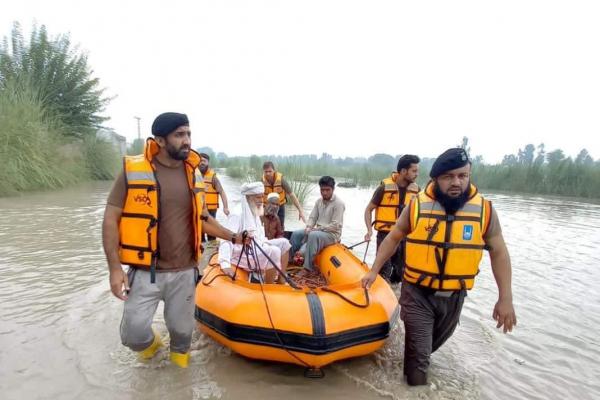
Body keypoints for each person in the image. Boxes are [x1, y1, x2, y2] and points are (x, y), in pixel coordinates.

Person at [102, 112, 248, 369]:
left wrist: (233, 237)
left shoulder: (194, 175)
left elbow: (203, 219)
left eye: (189, 133)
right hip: (146, 270)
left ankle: (180, 383)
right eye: (179, 134)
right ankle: (153, 349)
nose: (187, 140)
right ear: (159, 139)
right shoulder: (132, 170)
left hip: (184, 271)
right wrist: (115, 268)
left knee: (182, 336)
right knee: (133, 336)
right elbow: (110, 218)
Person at [361, 147, 517, 386]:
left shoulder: (484, 211)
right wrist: (373, 271)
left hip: (454, 297)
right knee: (419, 365)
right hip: (417, 294)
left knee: (426, 351)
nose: (457, 182)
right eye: (449, 176)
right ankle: (415, 385)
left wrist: (505, 298)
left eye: (463, 176)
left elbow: (499, 252)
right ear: (435, 179)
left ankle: (407, 364)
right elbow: (393, 237)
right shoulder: (417, 206)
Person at [218, 182, 292, 284]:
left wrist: (265, 244)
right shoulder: (237, 214)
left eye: (262, 197)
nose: (261, 201)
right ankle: (269, 287)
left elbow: (259, 235)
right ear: (248, 198)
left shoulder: (254, 210)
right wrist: (225, 264)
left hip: (257, 245)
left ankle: (281, 280)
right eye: (258, 198)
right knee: (274, 251)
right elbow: (226, 239)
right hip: (240, 253)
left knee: (285, 243)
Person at [364, 155, 420, 282]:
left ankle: (395, 296)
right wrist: (369, 230)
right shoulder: (384, 188)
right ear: (403, 171)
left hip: (405, 238)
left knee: (400, 274)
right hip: (385, 235)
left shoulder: (417, 191)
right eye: (414, 171)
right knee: (384, 272)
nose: (417, 174)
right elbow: (368, 210)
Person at [290, 176, 345, 271]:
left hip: (332, 234)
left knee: (313, 235)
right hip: (318, 231)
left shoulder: (339, 204)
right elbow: (312, 217)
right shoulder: (318, 202)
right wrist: (308, 226)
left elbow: (336, 225)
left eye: (327, 190)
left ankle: (307, 268)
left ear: (333, 189)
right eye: (322, 190)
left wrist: (318, 229)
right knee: (296, 234)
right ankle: (291, 260)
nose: (324, 192)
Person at [262, 161, 306, 229]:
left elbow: (292, 195)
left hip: (279, 206)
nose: (268, 173)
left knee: (280, 226)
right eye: (266, 171)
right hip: (267, 207)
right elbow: (256, 197)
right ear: (263, 172)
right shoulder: (262, 181)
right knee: (267, 227)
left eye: (270, 171)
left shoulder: (281, 180)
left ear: (274, 170)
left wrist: (300, 210)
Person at [199, 152, 230, 242]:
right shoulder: (194, 175)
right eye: (200, 161)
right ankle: (203, 254)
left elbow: (222, 192)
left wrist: (226, 207)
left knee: (211, 234)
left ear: (208, 163)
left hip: (211, 210)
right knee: (199, 233)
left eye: (204, 161)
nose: (202, 163)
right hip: (199, 210)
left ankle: (213, 253)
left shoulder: (213, 178)